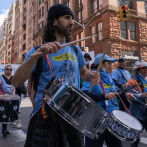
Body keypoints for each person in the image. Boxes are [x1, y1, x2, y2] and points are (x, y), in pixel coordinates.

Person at [12, 4, 100, 147]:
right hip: (45, 115)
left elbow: (83, 73)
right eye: (67, 18)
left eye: (72, 18)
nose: (72, 22)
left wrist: (92, 76)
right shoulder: (37, 51)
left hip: (72, 115)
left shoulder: (75, 49)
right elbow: (16, 82)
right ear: (54, 21)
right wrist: (35, 56)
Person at [82, 54, 136, 147]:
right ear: (101, 65)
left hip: (113, 121)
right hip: (96, 121)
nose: (111, 65)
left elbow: (116, 91)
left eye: (111, 63)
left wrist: (125, 94)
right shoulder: (92, 76)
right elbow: (85, 93)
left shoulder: (109, 77)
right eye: (108, 63)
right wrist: (103, 96)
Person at [125, 60, 147, 147]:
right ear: (138, 70)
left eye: (146, 68)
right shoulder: (133, 80)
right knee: (135, 138)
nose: (145, 70)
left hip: (145, 111)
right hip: (137, 112)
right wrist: (140, 95)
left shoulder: (145, 80)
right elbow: (127, 89)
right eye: (143, 68)